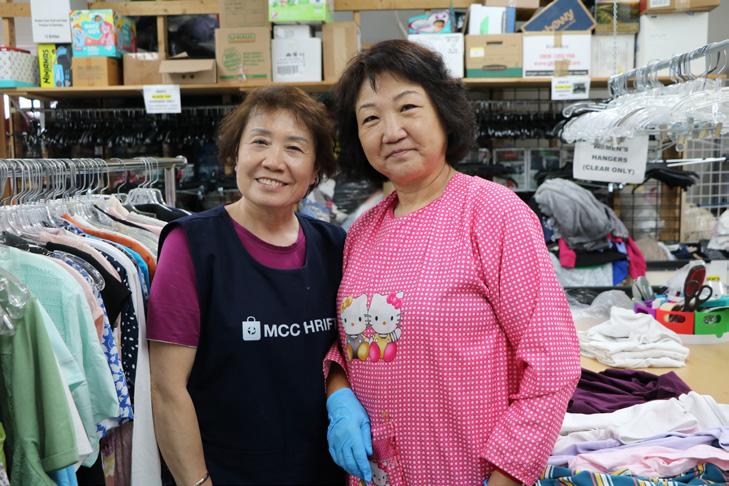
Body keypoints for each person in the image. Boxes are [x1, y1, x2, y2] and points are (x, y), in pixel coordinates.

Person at [323, 39, 582, 486]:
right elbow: (353, 345)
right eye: (370, 118)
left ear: (443, 112)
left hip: (469, 472)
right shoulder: (361, 233)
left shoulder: (494, 214)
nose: (391, 131)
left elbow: (552, 362)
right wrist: (338, 393)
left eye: (407, 107)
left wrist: (506, 476)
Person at [148, 86, 346, 485]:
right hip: (225, 473)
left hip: (324, 471)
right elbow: (167, 389)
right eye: (259, 142)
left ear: (315, 171)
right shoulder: (191, 246)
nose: (273, 161)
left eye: (294, 148)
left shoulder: (335, 246)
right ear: (234, 154)